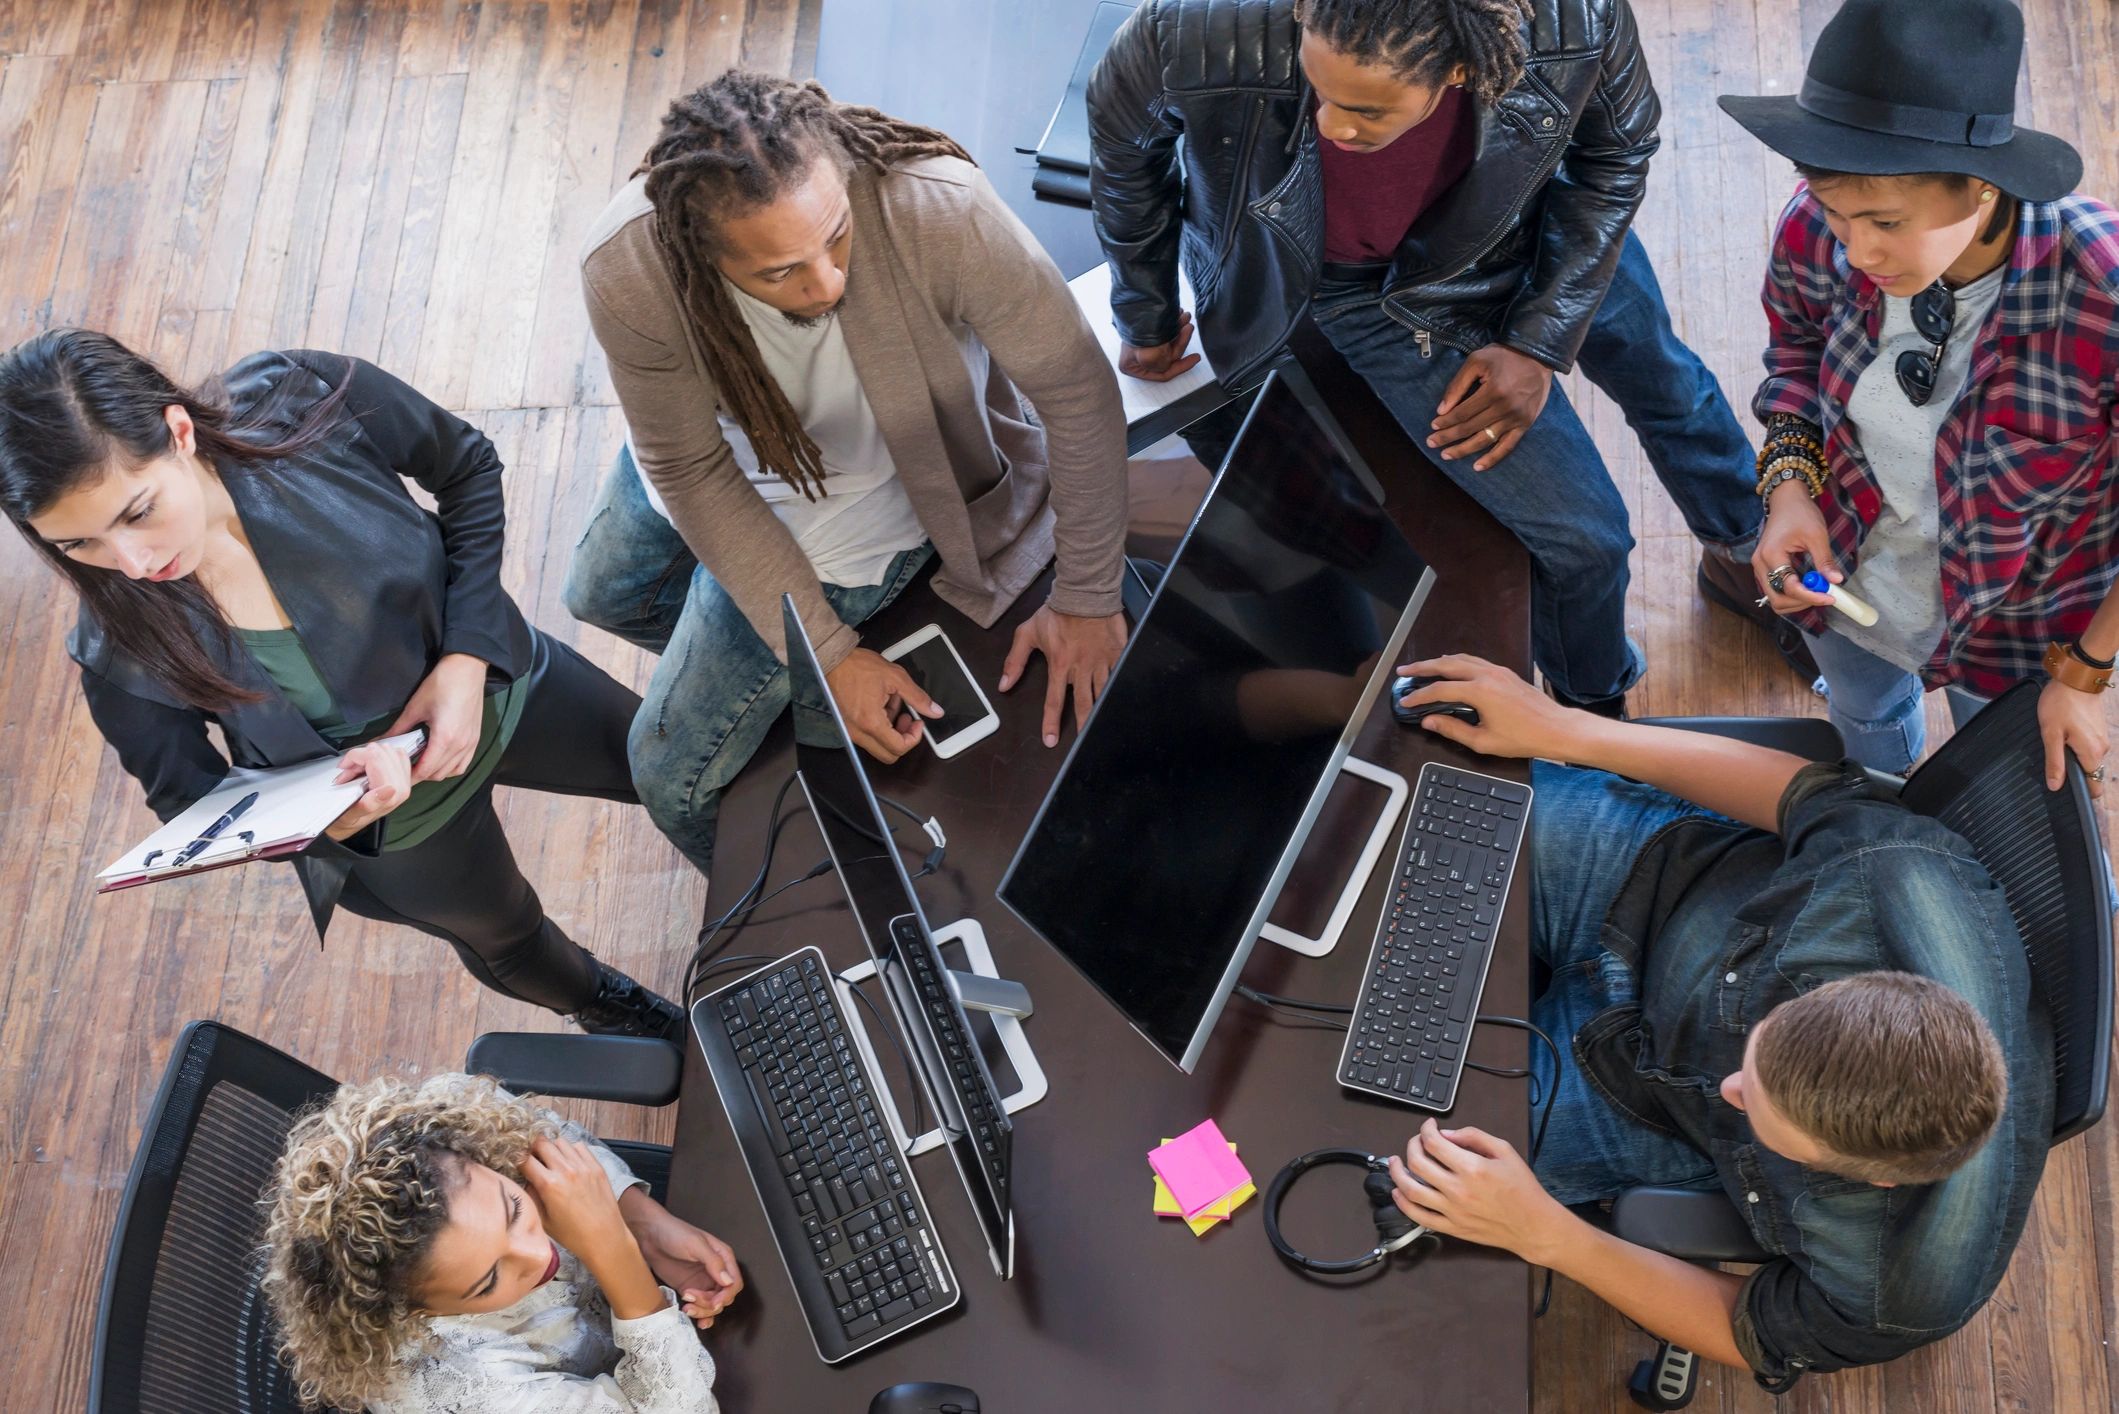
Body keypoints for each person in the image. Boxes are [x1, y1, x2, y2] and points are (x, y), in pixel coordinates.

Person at [1086, 0, 1805, 715]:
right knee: (1586, 544)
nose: (1329, 126)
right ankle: (1590, 709)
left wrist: (1537, 340)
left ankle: (1742, 561)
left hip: (1534, 215)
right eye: (1317, 90)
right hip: (1378, 294)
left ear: (1461, 69)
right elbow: (1124, 156)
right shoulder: (1193, 28)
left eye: (1366, 110)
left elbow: (1614, 153)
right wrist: (1144, 313)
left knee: (1673, 391)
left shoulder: (1573, 17)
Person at [1378, 656, 2051, 1386]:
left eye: (1755, 1107)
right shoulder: (1894, 876)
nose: (1731, 1084)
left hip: (1640, 1105)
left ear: (1875, 1184)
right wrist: (1566, 729)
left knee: (1383, 1159)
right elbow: (1798, 792)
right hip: (1652, 879)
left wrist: (1548, 1236)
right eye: (1756, 1058)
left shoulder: (1904, 1289)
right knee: (1402, 812)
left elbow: (1747, 1327)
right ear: (1864, 983)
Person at [0, 332, 685, 1040]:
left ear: (178, 432)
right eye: (80, 546)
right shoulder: (112, 646)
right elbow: (193, 803)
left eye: (136, 512)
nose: (133, 563)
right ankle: (613, 1009)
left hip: (507, 685)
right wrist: (336, 820)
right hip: (399, 830)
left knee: (682, 778)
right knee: (508, 936)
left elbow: (467, 466)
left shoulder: (303, 397)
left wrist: (464, 659)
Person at [568, 71, 1130, 877]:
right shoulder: (626, 269)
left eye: (835, 235)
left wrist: (1086, 594)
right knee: (599, 595)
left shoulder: (940, 209)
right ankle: (801, 716)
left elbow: (1077, 392)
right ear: (699, 251)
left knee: (672, 781)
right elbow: (687, 465)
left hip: (857, 506)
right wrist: (828, 660)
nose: (826, 282)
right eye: (779, 272)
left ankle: (815, 913)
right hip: (714, 468)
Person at [1720, 0, 2116, 785]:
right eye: (1837, 215)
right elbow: (1794, 359)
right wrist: (1791, 492)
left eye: (1887, 222)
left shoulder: (2101, 290)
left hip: (2024, 622)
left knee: (2008, 786)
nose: (1857, 249)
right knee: (1863, 728)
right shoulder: (1816, 225)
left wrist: (2083, 673)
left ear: (1981, 189)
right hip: (1849, 580)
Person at [262, 1072, 740, 1411]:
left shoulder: (449, 1118)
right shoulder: (464, 1392)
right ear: (418, 1312)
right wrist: (616, 1254)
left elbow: (548, 1135)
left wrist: (644, 1224)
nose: (539, 1255)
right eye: (489, 1279)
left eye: (512, 1209)